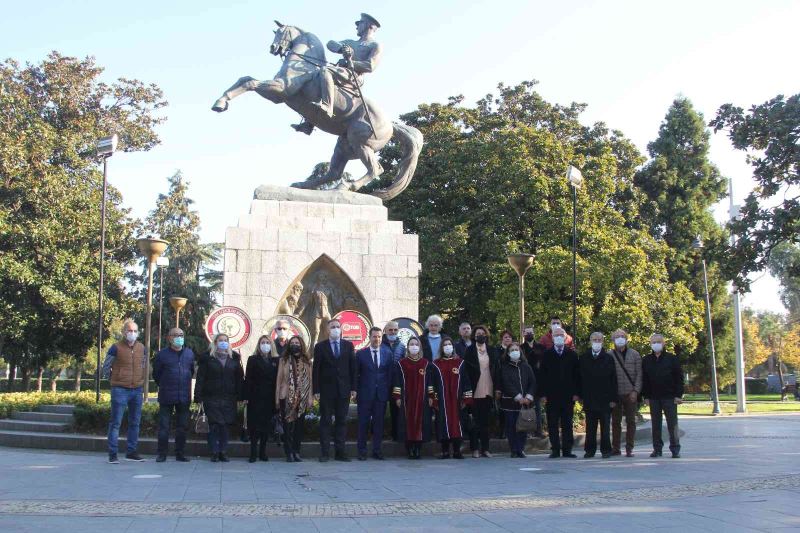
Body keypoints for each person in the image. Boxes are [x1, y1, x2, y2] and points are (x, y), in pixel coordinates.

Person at [307, 13, 383, 122]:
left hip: (355, 76)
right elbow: (330, 43)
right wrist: (341, 48)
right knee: (315, 78)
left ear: (369, 25)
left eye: (360, 23)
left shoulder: (374, 45)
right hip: (342, 72)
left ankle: (327, 106)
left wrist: (350, 62)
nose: (357, 26)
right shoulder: (351, 43)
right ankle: (309, 122)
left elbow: (370, 66)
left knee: (326, 71)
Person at [194, 333, 244, 462]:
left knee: (225, 425)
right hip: (211, 397)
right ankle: (214, 451)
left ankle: (223, 451)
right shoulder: (207, 359)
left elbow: (239, 380)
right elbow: (200, 379)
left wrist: (241, 396)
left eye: (226, 340)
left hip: (229, 398)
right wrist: (197, 397)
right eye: (221, 340)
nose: (223, 342)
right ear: (215, 343)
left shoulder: (234, 359)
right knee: (214, 425)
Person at [102, 319, 146, 464]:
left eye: (135, 331)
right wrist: (113, 380)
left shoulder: (141, 348)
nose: (132, 333)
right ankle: (113, 454)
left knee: (135, 422)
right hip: (120, 389)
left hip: (137, 389)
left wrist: (141, 380)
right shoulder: (115, 347)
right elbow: (106, 366)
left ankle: (131, 452)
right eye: (129, 330)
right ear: (123, 332)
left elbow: (144, 365)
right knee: (116, 423)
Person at [312, 319, 357, 462]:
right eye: (333, 327)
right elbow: (316, 370)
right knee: (325, 421)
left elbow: (353, 369)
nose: (336, 329)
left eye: (338, 327)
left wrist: (354, 388)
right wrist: (316, 390)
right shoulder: (320, 347)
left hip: (344, 390)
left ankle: (340, 452)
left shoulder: (348, 346)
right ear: (327, 330)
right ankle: (325, 453)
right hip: (326, 391)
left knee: (341, 421)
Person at [152, 327, 195, 463]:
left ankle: (180, 453)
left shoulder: (189, 353)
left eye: (181, 335)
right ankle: (162, 453)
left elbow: (191, 371)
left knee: (182, 427)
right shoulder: (162, 355)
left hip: (184, 396)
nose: (179, 337)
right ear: (169, 338)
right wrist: (165, 384)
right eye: (176, 335)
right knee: (164, 426)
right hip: (166, 396)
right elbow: (156, 374)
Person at [540, 326, 581, 458]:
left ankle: (567, 449)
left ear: (565, 337)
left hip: (568, 396)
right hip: (551, 396)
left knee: (567, 423)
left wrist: (576, 393)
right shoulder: (546, 354)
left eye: (561, 335)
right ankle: (555, 449)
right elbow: (542, 376)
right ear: (552, 338)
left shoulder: (572, 355)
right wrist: (543, 394)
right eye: (556, 335)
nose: (558, 337)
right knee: (552, 424)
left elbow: (577, 376)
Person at [429, 336, 473, 459]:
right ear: (442, 348)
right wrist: (434, 399)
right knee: (443, 424)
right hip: (442, 401)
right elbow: (431, 384)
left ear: (453, 347)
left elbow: (466, 382)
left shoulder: (460, 363)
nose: (447, 346)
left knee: (457, 424)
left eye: (449, 344)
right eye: (445, 345)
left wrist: (466, 399)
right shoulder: (435, 364)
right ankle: (445, 451)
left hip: (457, 401)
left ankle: (457, 451)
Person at [642, 333, 684, 458]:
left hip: (670, 397)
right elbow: (645, 380)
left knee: (672, 424)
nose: (656, 344)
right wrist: (646, 396)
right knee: (656, 425)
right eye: (653, 342)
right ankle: (657, 449)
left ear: (664, 343)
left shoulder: (672, 358)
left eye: (658, 342)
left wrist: (678, 395)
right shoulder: (646, 360)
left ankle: (675, 449)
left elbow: (679, 378)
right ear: (650, 344)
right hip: (654, 397)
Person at [392, 337, 434, 459]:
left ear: (420, 347)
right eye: (411, 344)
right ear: (408, 347)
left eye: (416, 344)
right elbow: (397, 381)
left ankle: (418, 448)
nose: (414, 346)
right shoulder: (401, 363)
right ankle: (410, 448)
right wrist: (397, 397)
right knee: (407, 422)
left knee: (420, 422)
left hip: (422, 399)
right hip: (407, 399)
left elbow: (430, 382)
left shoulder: (426, 363)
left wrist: (431, 395)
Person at [355, 327, 393, 460]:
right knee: (363, 423)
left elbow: (389, 375)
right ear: (369, 338)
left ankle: (377, 451)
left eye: (379, 337)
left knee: (379, 424)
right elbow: (356, 375)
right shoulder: (361, 354)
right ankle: (362, 451)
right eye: (374, 336)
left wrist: (387, 391)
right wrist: (356, 392)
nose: (376, 339)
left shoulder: (388, 353)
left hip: (381, 395)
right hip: (365, 395)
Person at [578, 332, 617, 458]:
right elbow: (580, 378)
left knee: (605, 427)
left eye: (599, 340)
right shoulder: (584, 358)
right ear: (590, 341)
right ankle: (590, 450)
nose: (597, 342)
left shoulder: (609, 358)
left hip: (605, 398)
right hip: (589, 398)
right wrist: (581, 395)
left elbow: (613, 380)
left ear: (603, 342)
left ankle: (606, 450)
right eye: (594, 339)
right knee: (590, 427)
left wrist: (613, 398)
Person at [276, 335, 314, 462]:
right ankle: (288, 453)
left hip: (302, 398)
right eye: (292, 342)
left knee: (299, 427)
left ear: (301, 344)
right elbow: (279, 380)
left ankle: (296, 451)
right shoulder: (283, 360)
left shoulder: (307, 361)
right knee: (287, 427)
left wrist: (310, 397)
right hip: (286, 397)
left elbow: (310, 381)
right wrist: (277, 397)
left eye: (297, 342)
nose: (295, 344)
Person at [494, 341, 536, 458]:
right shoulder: (505, 367)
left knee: (523, 427)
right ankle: (513, 449)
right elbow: (507, 384)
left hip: (525, 403)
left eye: (516, 350)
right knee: (511, 427)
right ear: (508, 353)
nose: (514, 352)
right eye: (511, 350)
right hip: (510, 402)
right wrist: (518, 397)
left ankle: (521, 449)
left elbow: (532, 382)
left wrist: (528, 396)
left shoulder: (526, 366)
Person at [463, 325, 498, 458]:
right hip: (474, 389)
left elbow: (497, 370)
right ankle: (475, 449)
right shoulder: (469, 350)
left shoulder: (492, 350)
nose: (480, 335)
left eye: (483, 333)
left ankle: (486, 448)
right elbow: (466, 371)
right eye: (478, 333)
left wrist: (497, 389)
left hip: (488, 388)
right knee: (474, 422)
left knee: (486, 422)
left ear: (486, 335)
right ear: (474, 336)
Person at [244, 335, 279, 462]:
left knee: (266, 426)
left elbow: (278, 381)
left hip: (270, 398)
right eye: (262, 342)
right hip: (255, 397)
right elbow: (248, 379)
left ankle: (263, 452)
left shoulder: (276, 360)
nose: (265, 345)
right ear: (259, 345)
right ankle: (253, 452)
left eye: (267, 342)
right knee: (254, 427)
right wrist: (246, 396)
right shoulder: (252, 359)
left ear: (271, 345)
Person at [609, 329, 642, 457]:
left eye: (622, 336)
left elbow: (639, 374)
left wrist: (636, 391)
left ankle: (629, 448)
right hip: (616, 394)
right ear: (613, 340)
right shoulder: (609, 355)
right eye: (617, 337)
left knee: (631, 422)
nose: (620, 338)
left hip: (630, 393)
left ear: (627, 338)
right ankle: (615, 448)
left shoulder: (635, 354)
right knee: (615, 422)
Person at [521, 324, 546, 438]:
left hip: (538, 380)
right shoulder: (521, 348)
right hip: (525, 381)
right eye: (527, 333)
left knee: (537, 407)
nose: (529, 334)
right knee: (526, 406)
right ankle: (527, 431)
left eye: (531, 332)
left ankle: (539, 430)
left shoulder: (541, 347)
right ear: (523, 334)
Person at [382, 320, 405, 441]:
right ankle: (378, 435)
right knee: (379, 410)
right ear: (385, 331)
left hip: (396, 384)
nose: (393, 332)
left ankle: (396, 435)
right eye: (390, 329)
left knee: (396, 410)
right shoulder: (379, 343)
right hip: (381, 383)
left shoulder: (401, 346)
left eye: (395, 330)